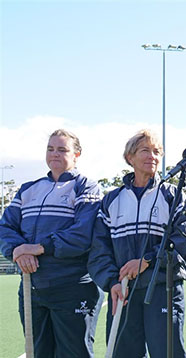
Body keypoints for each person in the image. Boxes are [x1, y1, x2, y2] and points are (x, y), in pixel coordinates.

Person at [88, 129, 186, 357]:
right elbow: (99, 250)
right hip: (124, 292)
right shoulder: (111, 200)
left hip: (163, 289)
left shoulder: (174, 196)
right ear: (130, 157)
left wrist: (146, 261)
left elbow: (182, 244)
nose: (152, 156)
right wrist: (111, 283)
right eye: (145, 150)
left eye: (157, 151)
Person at [0, 129, 103, 358]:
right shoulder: (28, 189)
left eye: (62, 149)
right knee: (39, 353)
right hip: (32, 286)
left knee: (74, 353)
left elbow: (82, 234)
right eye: (50, 148)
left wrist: (38, 248)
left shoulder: (86, 187)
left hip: (72, 287)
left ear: (77, 154)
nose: (54, 154)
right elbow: (5, 227)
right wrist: (18, 250)